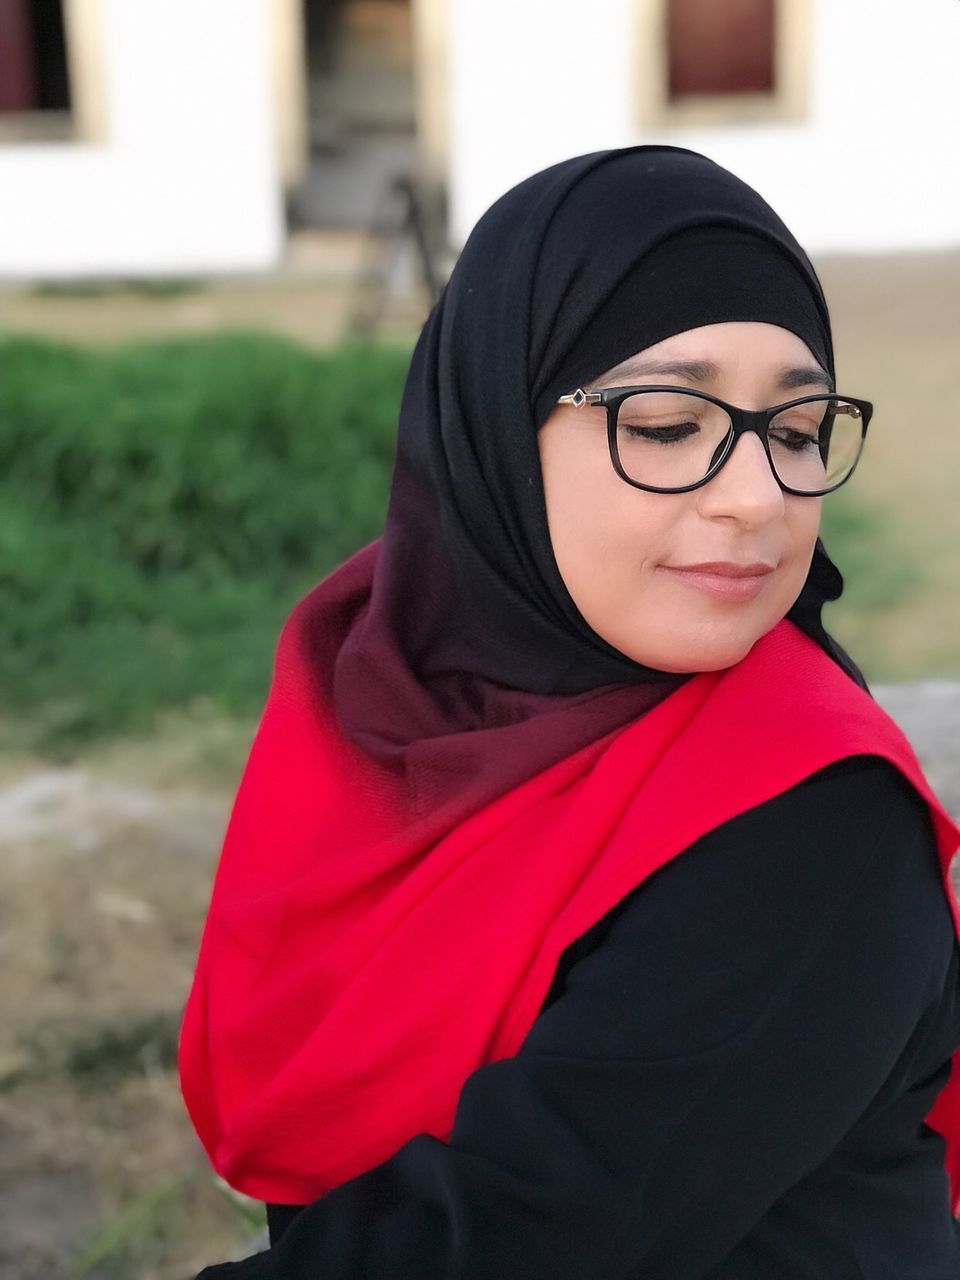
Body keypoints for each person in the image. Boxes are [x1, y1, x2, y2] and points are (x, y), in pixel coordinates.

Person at [178, 146, 960, 1278]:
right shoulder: (376, 687)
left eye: (795, 431)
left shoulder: (814, 826)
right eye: (664, 424)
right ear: (496, 430)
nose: (757, 495)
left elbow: (513, 1233)